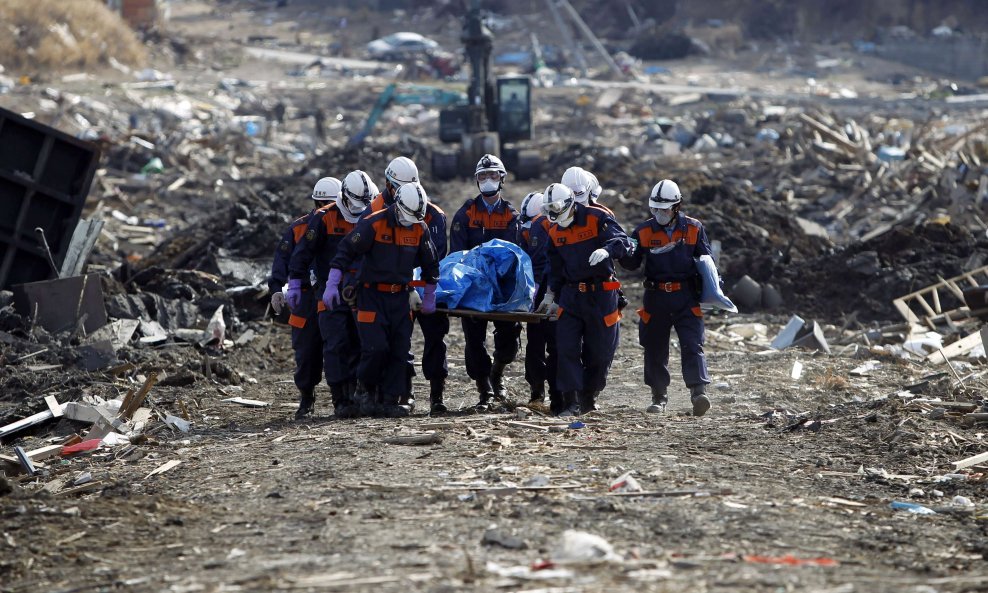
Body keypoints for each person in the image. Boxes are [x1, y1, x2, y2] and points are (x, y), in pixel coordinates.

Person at [326, 181, 440, 418]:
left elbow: (430, 263)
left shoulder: (419, 228)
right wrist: (332, 283)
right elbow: (345, 251)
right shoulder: (373, 224)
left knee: (400, 349)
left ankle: (390, 399)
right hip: (371, 295)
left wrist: (429, 294)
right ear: (397, 207)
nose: (412, 222)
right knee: (375, 347)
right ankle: (365, 390)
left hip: (399, 296)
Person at [538, 183, 633, 417]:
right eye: (548, 209)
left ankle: (589, 397)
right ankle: (571, 402)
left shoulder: (597, 217)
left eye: (556, 208)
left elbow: (623, 241)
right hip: (571, 296)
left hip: (601, 294)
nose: (553, 214)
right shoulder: (554, 230)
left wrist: (608, 249)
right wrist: (551, 295)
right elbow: (555, 266)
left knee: (599, 352)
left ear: (570, 204)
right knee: (566, 347)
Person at [288, 170, 378, 419]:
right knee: (336, 343)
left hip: (364, 290)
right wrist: (295, 282)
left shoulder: (373, 215)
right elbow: (302, 253)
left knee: (364, 343)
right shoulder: (323, 218)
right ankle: (341, 398)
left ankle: (364, 394)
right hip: (330, 291)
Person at [619, 180, 712, 417]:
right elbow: (632, 263)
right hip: (656, 297)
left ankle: (698, 392)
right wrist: (618, 250)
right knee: (654, 347)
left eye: (664, 209)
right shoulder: (642, 231)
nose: (660, 214)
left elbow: (707, 262)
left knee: (692, 344)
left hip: (686, 296)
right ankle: (659, 397)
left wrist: (713, 290)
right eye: (655, 209)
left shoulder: (694, 228)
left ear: (676, 206)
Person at [449, 154, 522, 412]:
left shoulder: (512, 215)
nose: (487, 180)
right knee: (474, 341)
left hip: (503, 290)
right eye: (482, 176)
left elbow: (515, 255)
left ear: (502, 179)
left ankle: (498, 372)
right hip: (473, 289)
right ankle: (485, 389)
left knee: (509, 341)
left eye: (492, 175)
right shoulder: (465, 214)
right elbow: (456, 255)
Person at [275, 177, 341, 420]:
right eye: (321, 203)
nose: (325, 208)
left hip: (331, 295)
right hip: (303, 298)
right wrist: (276, 288)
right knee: (305, 351)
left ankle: (341, 398)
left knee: (339, 348)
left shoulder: (345, 224)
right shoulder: (298, 228)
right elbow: (282, 261)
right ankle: (306, 398)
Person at [516, 191, 559, 409]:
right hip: (547, 287)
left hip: (545, 287)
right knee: (546, 343)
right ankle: (547, 392)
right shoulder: (545, 222)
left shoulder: (539, 224)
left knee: (542, 342)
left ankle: (542, 392)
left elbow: (540, 262)